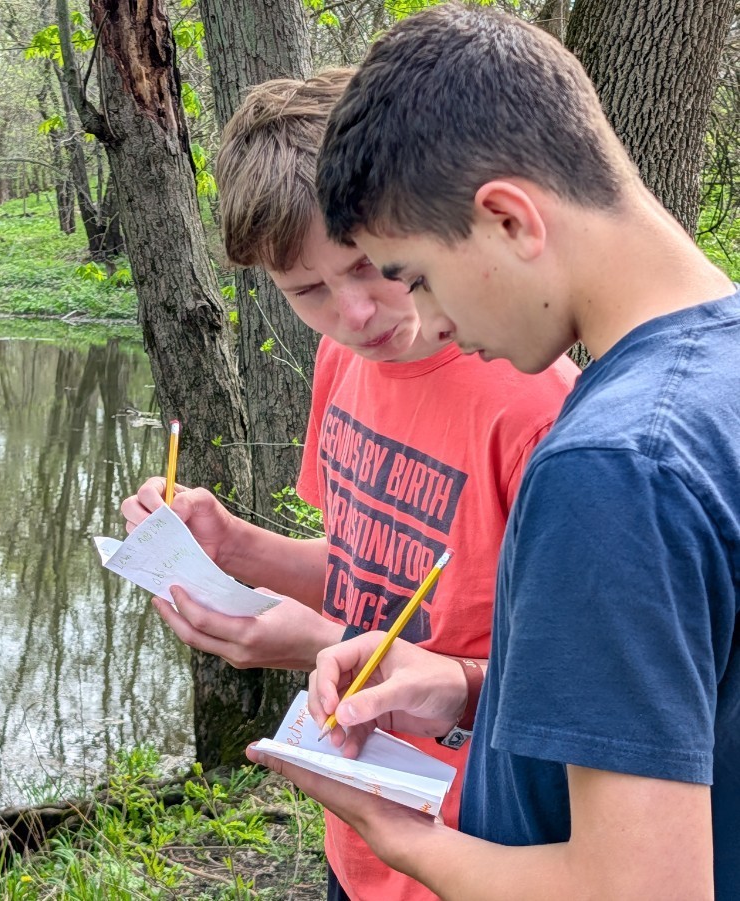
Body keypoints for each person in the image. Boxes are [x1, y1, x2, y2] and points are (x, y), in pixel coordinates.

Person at [247, 5, 740, 899]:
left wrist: (405, 838)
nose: (426, 320)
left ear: (508, 219)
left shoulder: (612, 468)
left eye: (417, 277)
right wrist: (467, 688)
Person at [122, 69, 577, 901]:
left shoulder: (533, 407)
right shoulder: (342, 361)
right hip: (361, 829)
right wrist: (236, 547)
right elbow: (365, 567)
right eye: (308, 290)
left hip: (478, 848)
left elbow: (572, 683)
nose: (354, 313)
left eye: (368, 266)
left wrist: (316, 643)